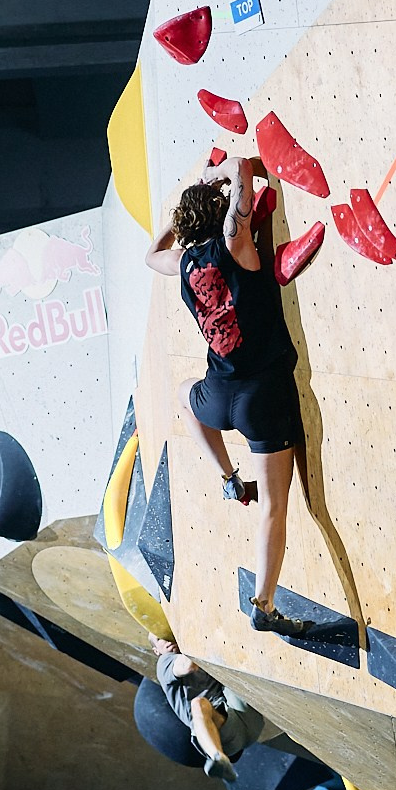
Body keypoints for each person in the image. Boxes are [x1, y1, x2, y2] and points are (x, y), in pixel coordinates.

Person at [145, 155, 310, 638]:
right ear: (220, 214)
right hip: (262, 397)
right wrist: (214, 178)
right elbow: (239, 165)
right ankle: (264, 603)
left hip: (217, 396)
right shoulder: (236, 242)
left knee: (182, 393)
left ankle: (227, 477)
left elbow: (150, 254)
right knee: (274, 508)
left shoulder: (181, 264)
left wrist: (179, 224)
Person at [149, 638, 239, 782]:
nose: (166, 639)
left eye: (167, 634)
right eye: (159, 639)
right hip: (211, 724)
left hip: (230, 713)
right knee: (199, 704)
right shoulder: (164, 662)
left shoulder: (195, 653)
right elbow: (188, 666)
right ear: (156, 651)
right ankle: (217, 757)